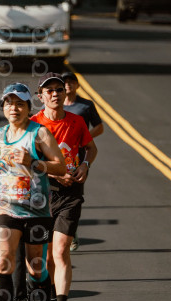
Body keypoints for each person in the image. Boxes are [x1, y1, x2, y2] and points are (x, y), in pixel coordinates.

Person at [0, 82, 65, 301]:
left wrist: (34, 162)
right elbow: (4, 169)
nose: (13, 108)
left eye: (19, 104)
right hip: (5, 206)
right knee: (3, 263)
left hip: (36, 209)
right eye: (9, 103)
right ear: (3, 107)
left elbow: (61, 167)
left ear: (28, 107)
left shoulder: (39, 133)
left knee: (35, 268)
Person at [31, 73, 98, 301]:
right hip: (43, 194)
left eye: (59, 89)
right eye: (49, 91)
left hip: (71, 194)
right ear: (41, 96)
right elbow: (27, 162)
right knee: (47, 256)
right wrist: (54, 173)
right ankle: (49, 300)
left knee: (60, 251)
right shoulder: (33, 125)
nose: (55, 94)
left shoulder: (76, 121)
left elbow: (91, 148)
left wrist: (84, 165)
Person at [62, 71, 103, 252]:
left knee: (73, 196)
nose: (68, 85)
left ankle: (71, 232)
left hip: (79, 157)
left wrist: (83, 138)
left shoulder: (85, 105)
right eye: (65, 82)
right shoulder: (54, 107)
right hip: (57, 157)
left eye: (72, 81)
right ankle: (63, 231)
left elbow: (99, 127)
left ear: (78, 85)